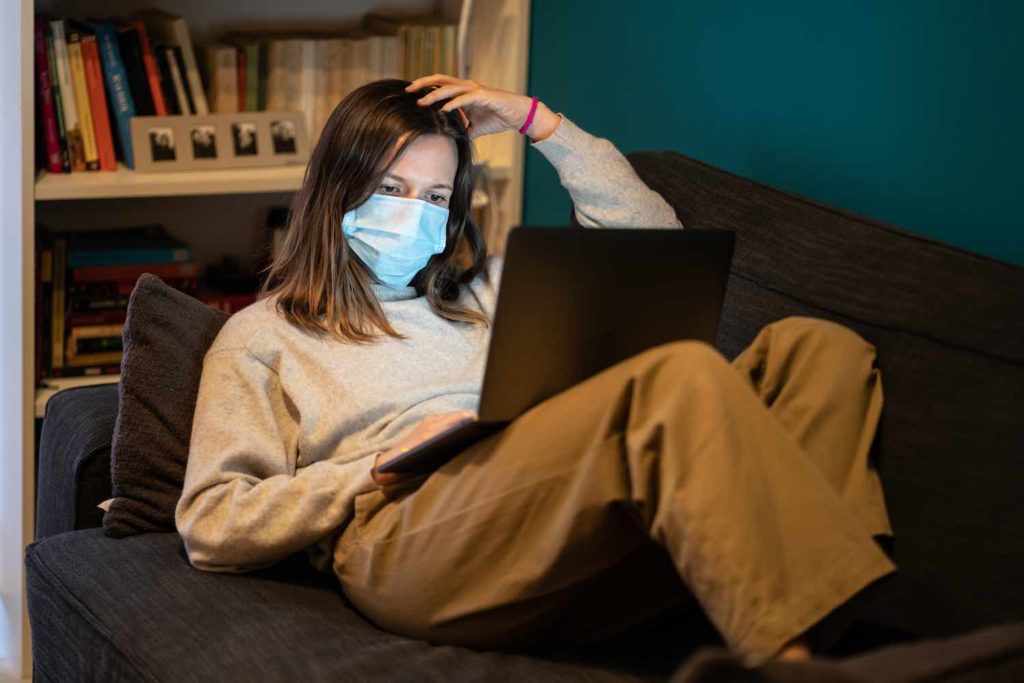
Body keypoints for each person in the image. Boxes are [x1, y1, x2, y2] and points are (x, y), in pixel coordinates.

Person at [175, 74, 896, 667]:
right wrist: (372, 467)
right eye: (392, 188)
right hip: (406, 532)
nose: (413, 215)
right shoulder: (263, 335)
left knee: (818, 349)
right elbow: (211, 521)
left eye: (434, 198)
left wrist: (537, 122)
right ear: (338, 187)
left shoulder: (485, 290)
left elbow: (653, 244)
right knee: (678, 377)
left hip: (546, 497)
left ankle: (819, 626)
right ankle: (793, 662)